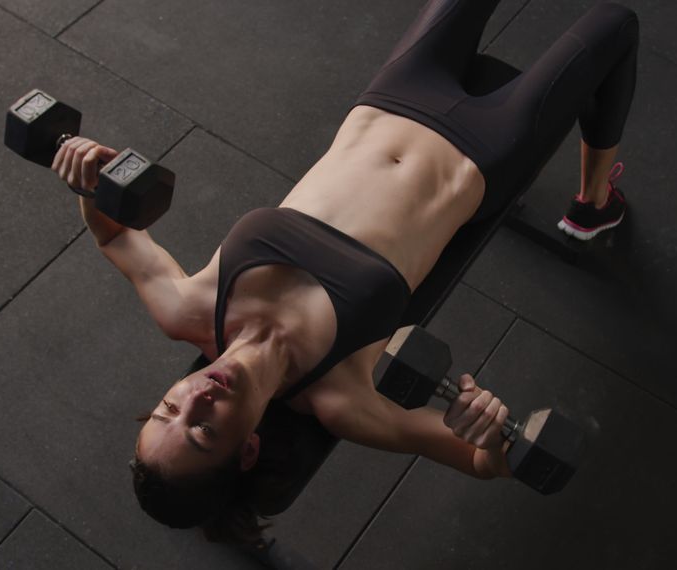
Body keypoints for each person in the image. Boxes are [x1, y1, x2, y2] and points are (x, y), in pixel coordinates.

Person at [52, 0, 637, 547]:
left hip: (392, 100)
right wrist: (485, 431)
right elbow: (484, 462)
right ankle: (592, 206)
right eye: (203, 432)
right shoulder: (342, 400)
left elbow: (115, 234)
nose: (194, 401)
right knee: (615, 24)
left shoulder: (188, 310)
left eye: (168, 410)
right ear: (248, 449)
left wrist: (88, 176)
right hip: (482, 152)